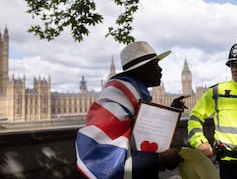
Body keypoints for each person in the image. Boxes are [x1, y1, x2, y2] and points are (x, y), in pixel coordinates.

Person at [75, 41, 186, 179]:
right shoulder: (117, 96)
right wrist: (158, 159)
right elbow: (107, 155)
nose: (160, 69)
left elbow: (143, 131)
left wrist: (172, 110)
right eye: (155, 64)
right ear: (142, 69)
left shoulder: (135, 94)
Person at [187, 41, 237, 179]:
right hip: (227, 163)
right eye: (232, 65)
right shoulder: (217, 91)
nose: (235, 69)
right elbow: (195, 116)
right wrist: (200, 141)